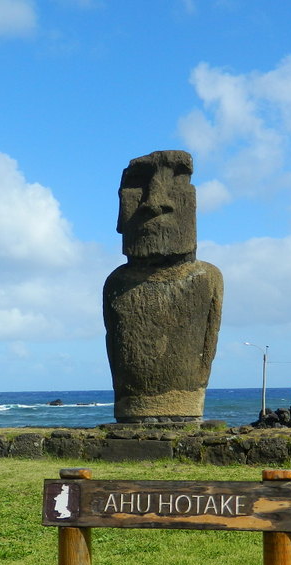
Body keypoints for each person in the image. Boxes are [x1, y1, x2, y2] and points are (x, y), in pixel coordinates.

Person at [103, 150, 223, 422]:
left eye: (178, 180)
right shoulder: (116, 283)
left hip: (189, 406)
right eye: (137, 185)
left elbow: (208, 348)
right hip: (129, 410)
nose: (155, 202)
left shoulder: (207, 277)